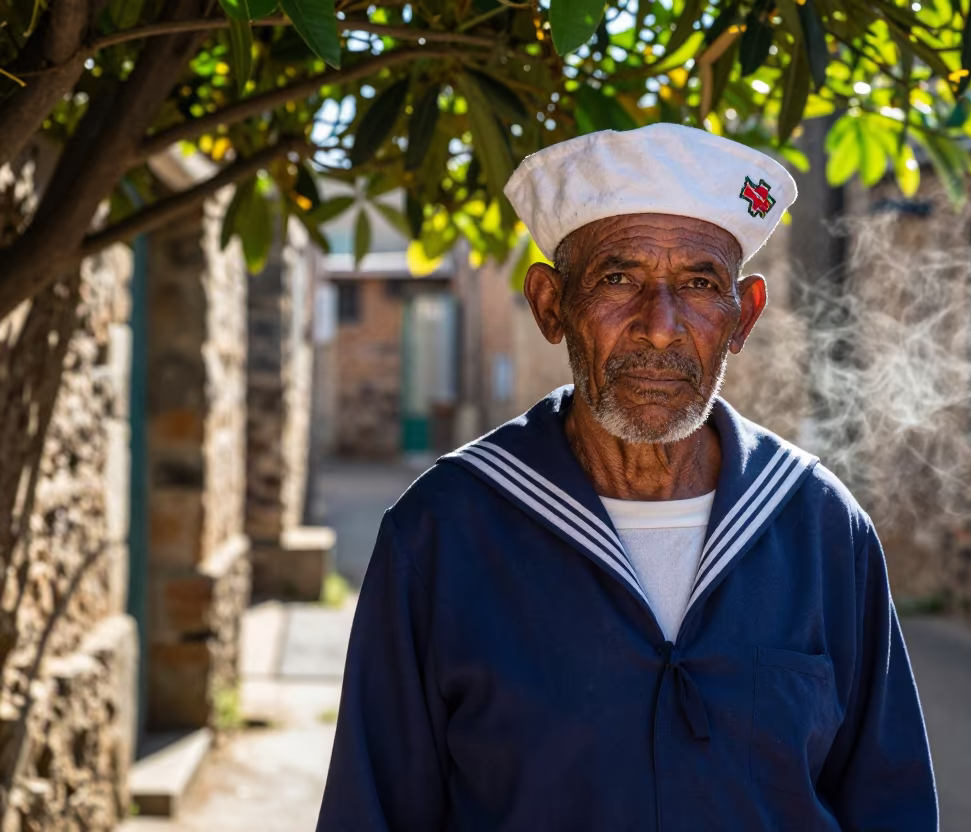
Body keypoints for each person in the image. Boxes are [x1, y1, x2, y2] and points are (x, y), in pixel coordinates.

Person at [316, 123, 938, 830]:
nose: (661, 326)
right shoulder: (444, 531)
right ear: (552, 306)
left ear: (743, 317)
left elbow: (891, 805)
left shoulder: (820, 525)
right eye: (619, 278)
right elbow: (371, 811)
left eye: (700, 284)